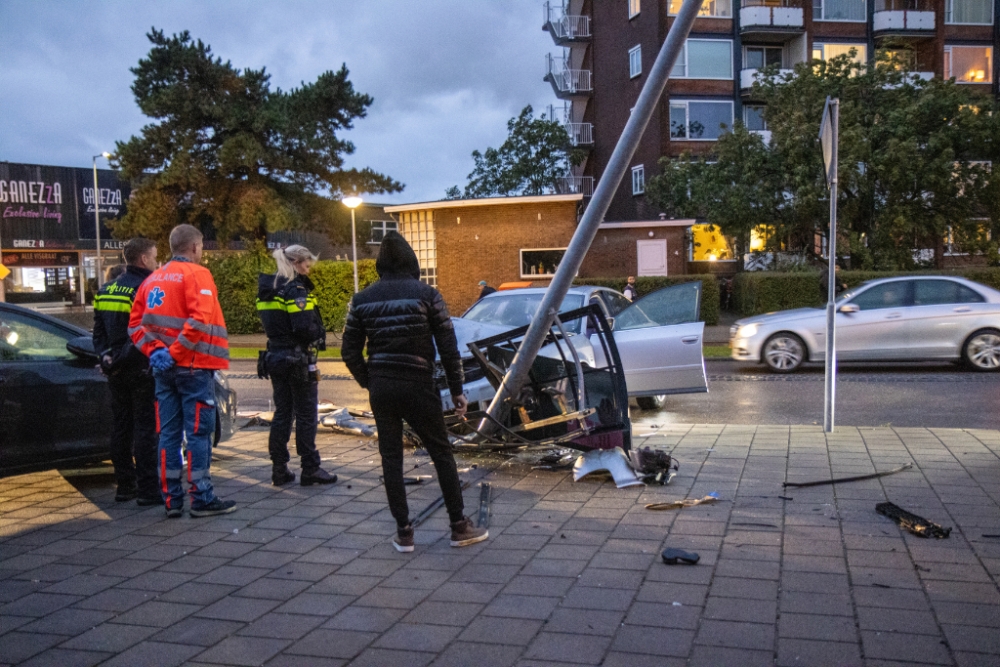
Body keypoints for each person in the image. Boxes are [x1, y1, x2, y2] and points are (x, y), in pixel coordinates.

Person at [343, 231, 487, 552]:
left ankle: (404, 533)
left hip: (382, 387)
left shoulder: (361, 300)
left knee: (391, 458)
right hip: (419, 384)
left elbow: (349, 353)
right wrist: (458, 390)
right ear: (412, 262)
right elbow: (448, 348)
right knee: (440, 452)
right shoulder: (428, 295)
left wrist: (371, 381)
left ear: (380, 265)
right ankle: (459, 526)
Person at [129, 224, 236, 518]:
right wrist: (175, 353)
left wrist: (156, 352)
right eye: (201, 247)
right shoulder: (198, 274)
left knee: (168, 435)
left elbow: (135, 325)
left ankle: (171, 500)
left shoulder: (152, 279)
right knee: (199, 434)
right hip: (194, 368)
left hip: (163, 371)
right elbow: (200, 320)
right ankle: (201, 497)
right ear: (194, 247)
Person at [256, 245, 338, 487]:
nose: (308, 269)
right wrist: (318, 333)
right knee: (306, 413)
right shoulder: (296, 289)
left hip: (275, 357)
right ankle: (310, 468)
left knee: (282, 413)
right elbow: (303, 327)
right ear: (295, 262)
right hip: (298, 359)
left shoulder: (269, 289)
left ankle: (279, 469)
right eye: (306, 264)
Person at [93, 239, 160, 504]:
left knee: (121, 427)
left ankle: (124, 486)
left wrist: (105, 356)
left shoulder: (106, 289)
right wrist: (121, 358)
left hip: (115, 370)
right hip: (140, 367)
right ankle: (147, 490)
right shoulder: (146, 288)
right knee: (145, 430)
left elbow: (98, 331)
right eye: (154, 257)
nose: (156, 262)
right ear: (143, 259)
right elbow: (146, 331)